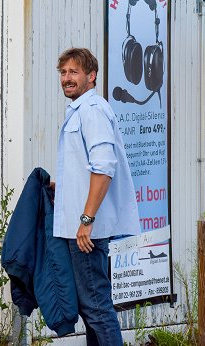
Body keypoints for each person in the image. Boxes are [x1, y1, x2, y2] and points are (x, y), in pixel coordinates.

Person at [53, 47, 140, 345]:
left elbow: (104, 168)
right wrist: (60, 186)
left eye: (74, 72)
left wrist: (86, 219)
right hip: (82, 228)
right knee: (92, 309)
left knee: (97, 308)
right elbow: (88, 166)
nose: (67, 78)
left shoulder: (92, 111)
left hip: (87, 232)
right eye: (63, 73)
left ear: (91, 76)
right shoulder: (81, 109)